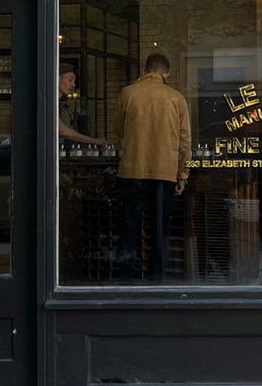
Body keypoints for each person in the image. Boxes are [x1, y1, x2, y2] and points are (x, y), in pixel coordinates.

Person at [113, 53, 191, 281]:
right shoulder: (176, 98)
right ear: (166, 74)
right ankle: (156, 277)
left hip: (131, 170)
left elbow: (117, 130)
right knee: (159, 229)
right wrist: (182, 174)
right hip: (164, 173)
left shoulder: (128, 93)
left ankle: (128, 277)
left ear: (145, 69)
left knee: (130, 228)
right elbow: (185, 140)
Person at [58, 62, 106, 146]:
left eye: (74, 81)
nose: (73, 84)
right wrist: (95, 141)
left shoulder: (62, 103)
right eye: (70, 80)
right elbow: (63, 131)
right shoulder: (50, 101)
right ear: (57, 79)